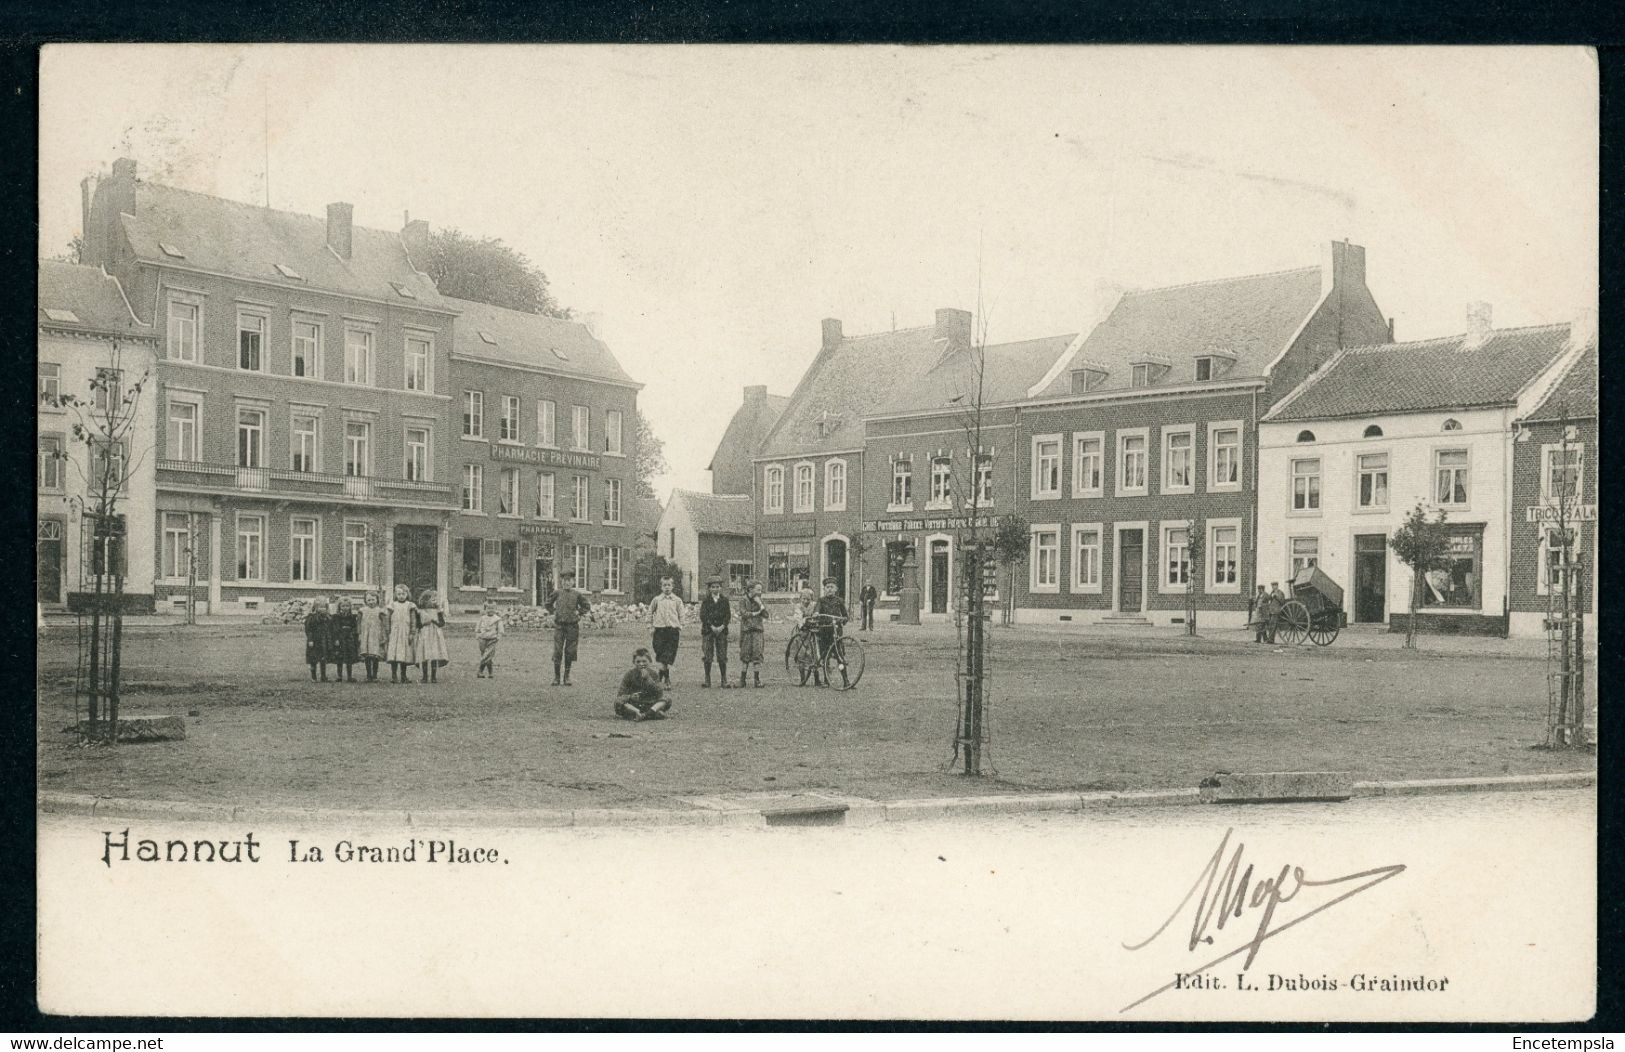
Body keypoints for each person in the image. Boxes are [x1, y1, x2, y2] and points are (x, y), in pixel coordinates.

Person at [551, 571, 593, 685]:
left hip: (572, 627)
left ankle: (567, 677)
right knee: (558, 651)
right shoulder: (557, 593)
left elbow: (586, 606)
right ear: (561, 582)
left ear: (573, 582)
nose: (567, 583)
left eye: (569, 581)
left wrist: (579, 612)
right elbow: (547, 604)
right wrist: (554, 612)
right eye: (565, 581)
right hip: (559, 626)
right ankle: (556, 678)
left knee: (570, 651)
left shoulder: (577, 594)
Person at [615, 646, 672, 721]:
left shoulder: (653, 674)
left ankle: (645, 714)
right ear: (634, 662)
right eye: (638, 662)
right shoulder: (629, 674)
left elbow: (659, 693)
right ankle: (642, 713)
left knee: (667, 699)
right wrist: (630, 697)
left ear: (649, 661)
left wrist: (648, 679)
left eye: (644, 661)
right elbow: (620, 695)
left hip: (650, 703)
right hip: (634, 704)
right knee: (618, 702)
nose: (641, 664)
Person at [812, 577, 850, 688]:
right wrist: (816, 613)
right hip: (824, 631)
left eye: (831, 587)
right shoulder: (821, 600)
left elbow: (845, 616)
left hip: (836, 632)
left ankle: (846, 680)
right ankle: (826, 680)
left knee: (840, 656)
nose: (829, 589)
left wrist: (843, 620)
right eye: (827, 587)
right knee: (825, 657)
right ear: (824, 589)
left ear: (836, 589)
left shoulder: (839, 601)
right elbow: (817, 610)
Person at [648, 575, 685, 685]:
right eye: (664, 585)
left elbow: (682, 614)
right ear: (661, 587)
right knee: (660, 653)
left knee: (668, 655)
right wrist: (650, 626)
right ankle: (663, 676)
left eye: (669, 585)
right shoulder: (657, 600)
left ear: (672, 586)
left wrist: (680, 626)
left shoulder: (677, 600)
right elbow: (650, 612)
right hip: (659, 630)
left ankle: (664, 678)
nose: (667, 587)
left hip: (672, 631)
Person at [698, 576, 733, 688]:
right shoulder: (706, 601)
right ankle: (707, 679)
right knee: (708, 655)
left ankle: (724, 679)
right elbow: (703, 615)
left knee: (722, 655)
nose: (715, 589)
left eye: (717, 587)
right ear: (709, 588)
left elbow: (728, 616)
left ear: (721, 588)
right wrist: (712, 626)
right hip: (708, 631)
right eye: (713, 587)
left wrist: (722, 626)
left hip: (722, 631)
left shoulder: (724, 601)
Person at [384, 584, 418, 684]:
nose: (401, 596)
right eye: (399, 594)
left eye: (403, 594)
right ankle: (394, 675)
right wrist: (388, 631)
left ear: (407, 594)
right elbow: (387, 619)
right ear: (395, 594)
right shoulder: (392, 605)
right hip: (394, 633)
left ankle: (403, 676)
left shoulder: (410, 605)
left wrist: (412, 632)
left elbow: (413, 620)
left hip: (405, 632)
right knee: (394, 654)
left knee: (404, 654)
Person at [415, 588, 450, 683]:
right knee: (424, 654)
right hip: (425, 633)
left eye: (436, 599)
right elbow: (417, 624)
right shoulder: (420, 611)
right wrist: (424, 623)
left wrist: (435, 620)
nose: (436, 602)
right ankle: (425, 676)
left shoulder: (438, 612)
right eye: (433, 599)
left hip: (435, 634)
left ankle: (434, 676)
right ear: (425, 600)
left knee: (434, 654)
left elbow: (442, 623)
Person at [738, 580, 767, 688]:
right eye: (758, 589)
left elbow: (766, 614)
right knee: (745, 655)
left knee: (757, 654)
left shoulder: (760, 600)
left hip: (758, 631)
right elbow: (743, 613)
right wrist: (755, 613)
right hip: (747, 631)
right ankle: (742, 680)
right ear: (750, 589)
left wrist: (760, 604)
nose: (760, 592)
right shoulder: (743, 600)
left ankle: (757, 679)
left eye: (761, 590)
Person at [358, 590, 389, 682]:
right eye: (369, 600)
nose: (371, 602)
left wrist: (384, 635)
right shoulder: (362, 610)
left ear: (377, 600)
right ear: (365, 601)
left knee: (375, 655)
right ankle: (368, 675)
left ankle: (375, 675)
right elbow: (359, 623)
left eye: (373, 600)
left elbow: (384, 623)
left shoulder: (380, 611)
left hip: (376, 635)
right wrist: (359, 634)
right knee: (367, 656)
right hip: (365, 636)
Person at [329, 597, 361, 683]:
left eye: (347, 606)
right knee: (339, 657)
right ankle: (339, 676)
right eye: (343, 606)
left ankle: (349, 676)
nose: (345, 608)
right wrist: (336, 639)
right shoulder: (336, 617)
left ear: (350, 607)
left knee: (349, 658)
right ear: (339, 607)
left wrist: (353, 635)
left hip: (349, 639)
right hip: (340, 639)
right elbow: (334, 629)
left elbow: (355, 627)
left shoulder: (352, 617)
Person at [304, 597, 333, 682]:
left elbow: (330, 628)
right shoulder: (312, 617)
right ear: (316, 607)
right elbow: (308, 629)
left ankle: (323, 676)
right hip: (315, 641)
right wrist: (310, 640)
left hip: (324, 641)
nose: (322, 609)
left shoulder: (328, 617)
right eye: (320, 607)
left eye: (324, 607)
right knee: (313, 659)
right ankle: (313, 676)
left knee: (323, 659)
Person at [474, 601, 505, 679]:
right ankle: (490, 672)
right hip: (482, 638)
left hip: (492, 639)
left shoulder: (497, 619)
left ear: (496, 609)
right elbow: (478, 627)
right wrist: (477, 634)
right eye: (488, 608)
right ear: (485, 609)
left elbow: (500, 629)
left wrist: (499, 636)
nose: (490, 610)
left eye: (492, 608)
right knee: (486, 655)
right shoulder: (482, 618)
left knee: (487, 655)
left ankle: (480, 671)